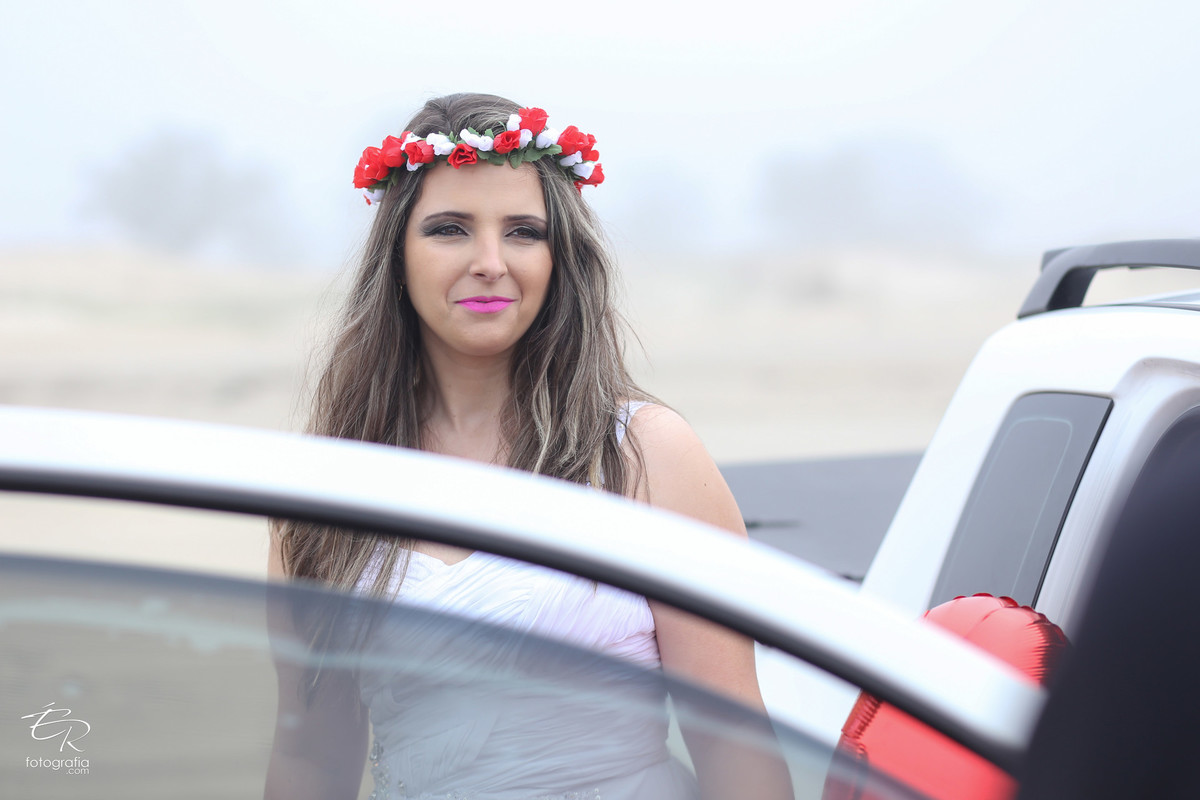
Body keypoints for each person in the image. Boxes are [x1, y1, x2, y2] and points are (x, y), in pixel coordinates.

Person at [264, 93, 790, 800]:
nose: (489, 262)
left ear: (558, 256)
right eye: (449, 229)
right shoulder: (326, 487)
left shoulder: (647, 455)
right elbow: (311, 763)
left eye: (522, 232)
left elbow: (735, 748)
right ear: (397, 255)